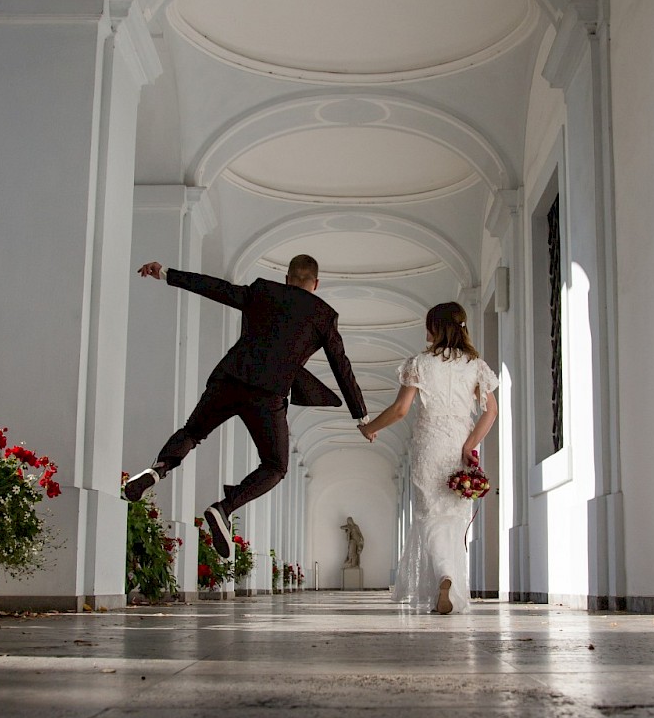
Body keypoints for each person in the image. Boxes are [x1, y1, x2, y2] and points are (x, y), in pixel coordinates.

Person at [124, 253, 367, 560]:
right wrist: (361, 415)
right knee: (275, 466)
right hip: (268, 396)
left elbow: (217, 288)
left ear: (287, 278)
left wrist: (166, 273)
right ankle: (223, 508)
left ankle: (158, 469)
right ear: (316, 283)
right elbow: (341, 368)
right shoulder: (324, 315)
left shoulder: (263, 290)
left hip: (229, 378)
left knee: (193, 431)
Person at [360, 302, 497, 615]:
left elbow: (400, 410)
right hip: (458, 448)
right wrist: (470, 445)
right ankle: (448, 580)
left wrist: (370, 428)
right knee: (454, 519)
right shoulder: (475, 365)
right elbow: (491, 411)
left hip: (429, 447)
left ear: (433, 328)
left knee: (430, 516)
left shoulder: (419, 363)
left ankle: (444, 576)